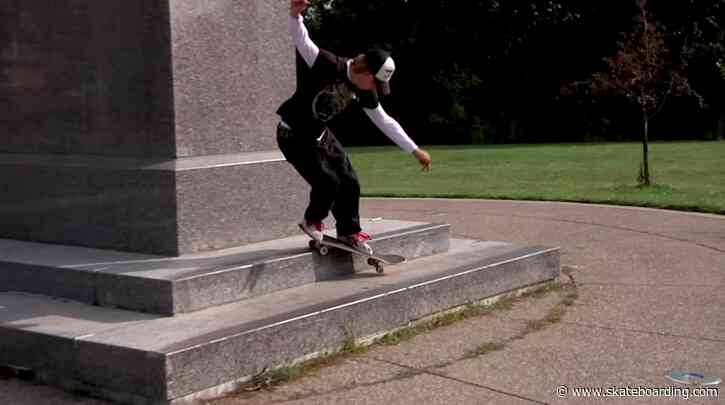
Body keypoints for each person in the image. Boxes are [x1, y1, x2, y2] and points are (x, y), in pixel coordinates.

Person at [277, 0, 432, 254]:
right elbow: (302, 40)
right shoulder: (328, 64)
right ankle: (312, 220)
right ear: (364, 71)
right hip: (292, 133)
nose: (374, 90)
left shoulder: (365, 89)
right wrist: (296, 14)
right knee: (328, 181)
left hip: (317, 132)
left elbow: (384, 120)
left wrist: (415, 150)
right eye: (374, 83)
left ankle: (349, 231)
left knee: (349, 179)